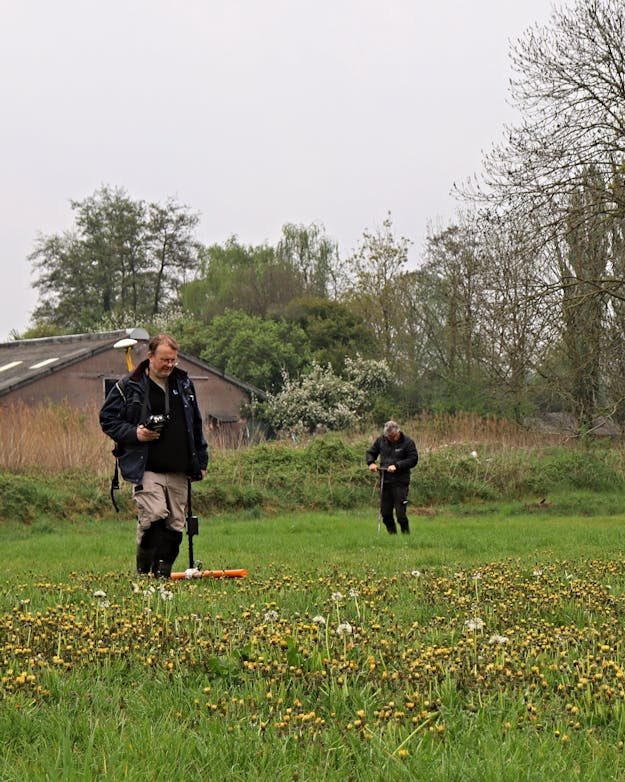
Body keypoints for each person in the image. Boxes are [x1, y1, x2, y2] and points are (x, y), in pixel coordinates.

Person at [100, 333, 208, 577]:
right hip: (146, 467)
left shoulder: (184, 383)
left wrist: (201, 460)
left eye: (173, 360)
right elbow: (107, 419)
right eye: (164, 360)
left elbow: (196, 423)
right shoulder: (129, 385)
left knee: (175, 525)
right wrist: (134, 433)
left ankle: (163, 576)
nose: (169, 365)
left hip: (179, 468)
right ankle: (144, 573)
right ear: (150, 356)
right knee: (155, 515)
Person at [366, 420, 418, 534]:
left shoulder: (408, 442)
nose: (391, 438)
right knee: (385, 514)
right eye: (388, 436)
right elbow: (371, 452)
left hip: (401, 482)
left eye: (393, 436)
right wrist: (371, 463)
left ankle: (406, 535)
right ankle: (392, 536)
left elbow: (413, 459)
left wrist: (397, 466)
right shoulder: (381, 441)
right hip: (385, 482)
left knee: (400, 515)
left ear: (397, 432)